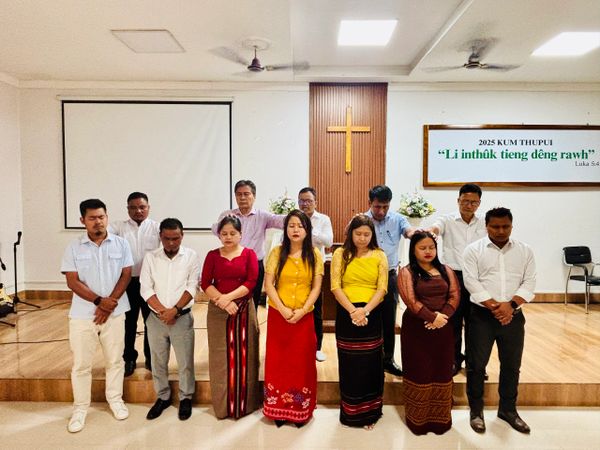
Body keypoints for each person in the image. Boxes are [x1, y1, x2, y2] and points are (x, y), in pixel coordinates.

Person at [61, 199, 133, 433]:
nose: (98, 222)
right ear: (82, 220)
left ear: (107, 217)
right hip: (83, 316)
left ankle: (115, 400)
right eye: (92, 218)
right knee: (81, 364)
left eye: (101, 217)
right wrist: (99, 302)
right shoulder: (73, 247)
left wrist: (109, 304)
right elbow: (72, 281)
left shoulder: (121, 244)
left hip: (115, 313)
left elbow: (126, 275)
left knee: (115, 360)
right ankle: (80, 408)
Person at [463, 207, 536, 434]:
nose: (501, 231)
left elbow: (530, 281)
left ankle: (508, 410)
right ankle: (476, 412)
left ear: (512, 226)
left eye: (506, 226)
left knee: (512, 365)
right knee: (476, 366)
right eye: (495, 226)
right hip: (481, 316)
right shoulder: (473, 250)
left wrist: (510, 306)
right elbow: (471, 282)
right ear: (486, 226)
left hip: (513, 316)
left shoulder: (525, 250)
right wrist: (496, 306)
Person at [262, 210, 323, 428]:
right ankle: (278, 408)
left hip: (303, 318)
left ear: (307, 230)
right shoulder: (277, 253)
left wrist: (303, 310)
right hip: (279, 316)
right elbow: (269, 285)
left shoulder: (314, 254)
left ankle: (300, 409)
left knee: (301, 363)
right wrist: (283, 309)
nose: (296, 230)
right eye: (291, 225)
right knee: (279, 362)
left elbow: (316, 287)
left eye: (300, 226)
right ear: (285, 229)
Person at [397, 231, 460, 435]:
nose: (428, 251)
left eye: (431, 247)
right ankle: (418, 421)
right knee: (419, 370)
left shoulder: (446, 270)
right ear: (413, 250)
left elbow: (454, 295)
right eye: (422, 248)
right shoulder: (407, 272)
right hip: (417, 330)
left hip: (443, 329)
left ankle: (440, 420)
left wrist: (443, 317)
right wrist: (432, 318)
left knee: (442, 370)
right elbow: (410, 301)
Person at [331, 214, 388, 429]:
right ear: (350, 234)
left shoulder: (379, 255)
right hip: (347, 312)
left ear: (372, 235)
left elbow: (382, 288)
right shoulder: (340, 253)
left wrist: (365, 311)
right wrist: (353, 311)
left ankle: (370, 413)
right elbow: (335, 286)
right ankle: (351, 413)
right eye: (358, 234)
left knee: (371, 363)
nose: (362, 238)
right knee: (350, 363)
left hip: (372, 313)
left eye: (366, 234)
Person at [140, 218, 200, 421]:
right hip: (156, 318)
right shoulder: (151, 257)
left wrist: (174, 310)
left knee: (185, 361)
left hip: (181, 318)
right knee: (157, 361)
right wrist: (163, 312)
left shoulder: (191, 256)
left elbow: (192, 286)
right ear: (160, 237)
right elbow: (145, 288)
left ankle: (186, 397)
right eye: (167, 239)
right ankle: (163, 396)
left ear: (182, 236)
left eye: (176, 238)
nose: (171, 243)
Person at [201, 216, 260, 419]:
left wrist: (229, 298)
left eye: (232, 233)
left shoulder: (249, 254)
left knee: (246, 355)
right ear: (219, 235)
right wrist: (223, 301)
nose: (228, 237)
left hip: (243, 309)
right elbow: (205, 283)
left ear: (240, 234)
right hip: (218, 310)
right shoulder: (212, 255)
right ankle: (223, 407)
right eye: (224, 233)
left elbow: (251, 281)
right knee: (220, 357)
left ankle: (245, 405)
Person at [426, 183, 486, 375]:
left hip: (478, 277)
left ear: (479, 203)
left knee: (476, 323)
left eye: (474, 202)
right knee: (453, 320)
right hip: (454, 277)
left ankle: (475, 364)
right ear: (458, 200)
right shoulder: (447, 220)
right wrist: (431, 233)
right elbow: (435, 228)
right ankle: (453, 360)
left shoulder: (484, 222)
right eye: (465, 201)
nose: (469, 205)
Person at [364, 185, 416, 377]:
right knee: (369, 319)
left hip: (390, 276)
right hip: (367, 278)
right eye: (377, 206)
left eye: (385, 206)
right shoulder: (362, 220)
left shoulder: (398, 219)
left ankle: (388, 360)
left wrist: (416, 233)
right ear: (370, 203)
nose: (381, 211)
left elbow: (409, 232)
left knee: (389, 319)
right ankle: (370, 360)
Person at [109, 191, 160, 377]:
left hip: (150, 283)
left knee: (151, 323)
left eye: (142, 207)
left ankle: (151, 358)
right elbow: (102, 235)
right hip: (127, 282)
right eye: (133, 207)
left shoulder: (157, 228)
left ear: (148, 208)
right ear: (127, 209)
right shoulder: (118, 228)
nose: (138, 211)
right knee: (128, 323)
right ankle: (128, 358)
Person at [213, 180, 284, 311]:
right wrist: (225, 221)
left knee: (252, 302)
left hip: (255, 265)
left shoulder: (263, 216)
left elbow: (281, 221)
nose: (242, 197)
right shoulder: (228, 215)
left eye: (246, 194)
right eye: (239, 194)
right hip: (231, 263)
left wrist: (298, 216)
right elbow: (215, 230)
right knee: (230, 300)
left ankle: (250, 323)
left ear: (254, 196)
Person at [298, 187, 333, 362]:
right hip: (296, 268)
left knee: (316, 310)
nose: (305, 204)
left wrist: (309, 229)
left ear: (315, 203)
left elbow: (328, 242)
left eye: (308, 201)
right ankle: (299, 346)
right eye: (302, 201)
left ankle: (317, 347)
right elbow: (284, 239)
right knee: (298, 307)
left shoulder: (323, 219)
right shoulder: (294, 218)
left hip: (315, 269)